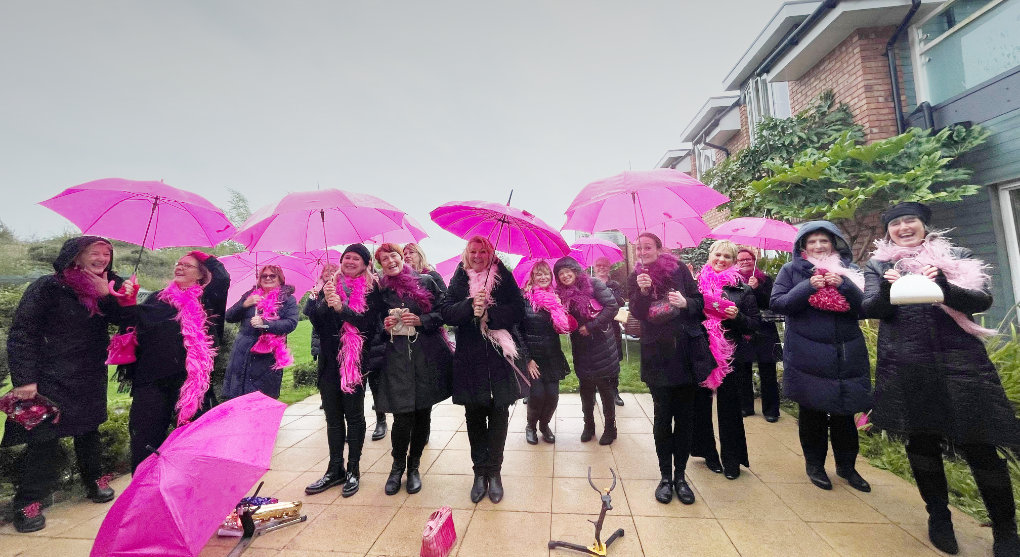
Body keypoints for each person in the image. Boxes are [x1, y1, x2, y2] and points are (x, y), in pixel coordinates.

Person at [863, 202, 1020, 556]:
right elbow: (870, 308)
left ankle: (1006, 530)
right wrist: (890, 290)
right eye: (896, 223)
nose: (904, 228)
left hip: (960, 361)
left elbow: (981, 300)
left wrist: (944, 285)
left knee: (980, 443)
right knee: (922, 443)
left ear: (923, 225)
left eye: (910, 221)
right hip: (907, 362)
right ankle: (938, 516)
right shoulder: (879, 264)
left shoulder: (955, 255)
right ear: (887, 231)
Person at [4, 237, 125, 532]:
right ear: (76, 256)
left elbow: (125, 319)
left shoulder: (111, 285)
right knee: (43, 440)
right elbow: (23, 333)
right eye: (93, 253)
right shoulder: (48, 287)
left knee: (89, 431)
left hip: (88, 372)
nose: (101, 258)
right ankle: (28, 503)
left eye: (106, 253)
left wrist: (108, 295)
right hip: (49, 375)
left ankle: (94, 481)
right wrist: (25, 379)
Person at [770, 222, 872, 493]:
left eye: (823, 241)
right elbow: (778, 304)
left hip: (845, 354)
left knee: (844, 414)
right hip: (807, 355)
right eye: (811, 241)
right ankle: (815, 465)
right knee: (812, 413)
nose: (818, 246)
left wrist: (846, 286)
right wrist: (807, 287)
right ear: (802, 246)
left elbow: (865, 308)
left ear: (834, 243)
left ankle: (847, 467)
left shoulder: (849, 272)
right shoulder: (791, 271)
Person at [119, 251, 229, 472]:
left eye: (187, 265)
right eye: (178, 264)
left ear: (200, 275)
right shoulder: (158, 298)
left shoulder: (206, 299)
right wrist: (128, 304)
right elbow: (134, 326)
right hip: (152, 379)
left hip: (191, 384)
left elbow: (223, 278)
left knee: (192, 439)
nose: (179, 267)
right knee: (145, 439)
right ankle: (143, 488)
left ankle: (188, 487)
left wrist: (200, 254)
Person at [440, 235, 526, 504]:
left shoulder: (504, 276)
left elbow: (518, 309)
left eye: (483, 251)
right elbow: (446, 312)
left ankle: (495, 472)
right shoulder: (459, 277)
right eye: (473, 251)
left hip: (499, 357)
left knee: (499, 415)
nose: (478, 256)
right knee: (475, 416)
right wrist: (470, 307)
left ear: (491, 253)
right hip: (470, 358)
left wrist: (491, 314)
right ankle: (479, 473)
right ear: (467, 253)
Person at [628, 232, 712, 505]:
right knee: (663, 417)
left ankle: (681, 477)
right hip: (657, 356)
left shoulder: (679, 270)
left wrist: (685, 302)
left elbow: (700, 304)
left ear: (659, 248)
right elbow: (638, 314)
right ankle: (665, 477)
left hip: (685, 354)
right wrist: (641, 292)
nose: (643, 251)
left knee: (685, 418)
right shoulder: (637, 276)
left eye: (648, 246)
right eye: (639, 248)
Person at [370, 243, 453, 496]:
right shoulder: (380, 290)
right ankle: (397, 467)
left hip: (425, 357)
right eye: (384, 259)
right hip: (395, 359)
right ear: (380, 265)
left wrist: (421, 320)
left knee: (422, 415)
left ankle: (414, 466)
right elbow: (372, 323)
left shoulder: (426, 281)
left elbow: (444, 311)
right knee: (403, 416)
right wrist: (384, 326)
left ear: (401, 257)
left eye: (393, 255)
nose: (390, 261)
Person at [304, 245, 377, 497]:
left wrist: (342, 308)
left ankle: (353, 470)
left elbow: (369, 323)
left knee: (354, 417)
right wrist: (321, 298)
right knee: (333, 418)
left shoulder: (372, 288)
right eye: (347, 257)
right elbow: (315, 320)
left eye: (356, 258)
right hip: (329, 361)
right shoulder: (329, 286)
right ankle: (335, 468)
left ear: (366, 263)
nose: (350, 261)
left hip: (354, 362)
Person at [692, 240, 758, 480]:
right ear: (710, 256)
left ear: (733, 261)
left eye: (727, 257)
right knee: (700, 405)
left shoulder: (743, 290)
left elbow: (754, 324)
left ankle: (732, 460)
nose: (721, 260)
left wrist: (738, 316)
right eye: (717, 255)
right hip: (701, 351)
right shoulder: (696, 285)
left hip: (730, 355)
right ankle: (707, 453)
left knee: (730, 408)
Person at [554, 256, 620, 445]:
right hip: (581, 347)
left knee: (605, 389)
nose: (565, 275)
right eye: (561, 273)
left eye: (568, 271)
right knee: (586, 389)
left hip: (601, 344)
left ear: (575, 271)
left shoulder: (594, 284)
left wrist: (591, 326)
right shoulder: (562, 294)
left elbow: (612, 306)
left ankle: (610, 428)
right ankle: (588, 426)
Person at [519, 260, 575, 445]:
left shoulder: (556, 299)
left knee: (552, 396)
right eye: (538, 274)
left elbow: (565, 328)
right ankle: (531, 426)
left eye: (546, 274)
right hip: (533, 358)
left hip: (552, 356)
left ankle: (544, 426)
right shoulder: (525, 299)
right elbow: (517, 331)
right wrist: (527, 359)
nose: (543, 277)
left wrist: (560, 310)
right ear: (532, 278)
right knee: (537, 396)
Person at [221, 265, 299, 399]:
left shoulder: (287, 300)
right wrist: (245, 304)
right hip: (243, 353)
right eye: (264, 276)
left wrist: (266, 324)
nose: (268, 278)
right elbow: (229, 317)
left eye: (272, 276)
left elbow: (291, 323)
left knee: (262, 398)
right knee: (239, 397)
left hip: (267, 356)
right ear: (259, 279)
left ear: (280, 279)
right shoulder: (250, 295)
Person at [732, 248, 782, 422]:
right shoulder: (733, 281)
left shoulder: (765, 279)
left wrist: (757, 288)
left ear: (754, 261)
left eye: (748, 259)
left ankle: (771, 411)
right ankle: (745, 406)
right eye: (741, 260)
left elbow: (772, 302)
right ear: (736, 263)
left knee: (768, 371)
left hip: (765, 330)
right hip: (743, 329)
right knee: (742, 369)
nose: (745, 262)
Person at [594, 255, 626, 407]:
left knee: (613, 361)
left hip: (612, 328)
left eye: (604, 265)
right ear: (594, 267)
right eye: (598, 265)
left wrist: (605, 292)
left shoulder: (614, 285)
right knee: (593, 361)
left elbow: (619, 301)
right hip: (594, 327)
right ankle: (592, 392)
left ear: (609, 268)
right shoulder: (589, 284)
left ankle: (614, 392)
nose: (601, 268)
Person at [306, 263, 339, 362]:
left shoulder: (341, 288)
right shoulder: (318, 289)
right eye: (326, 270)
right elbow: (308, 312)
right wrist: (312, 297)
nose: (329, 273)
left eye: (332, 270)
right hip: (321, 336)